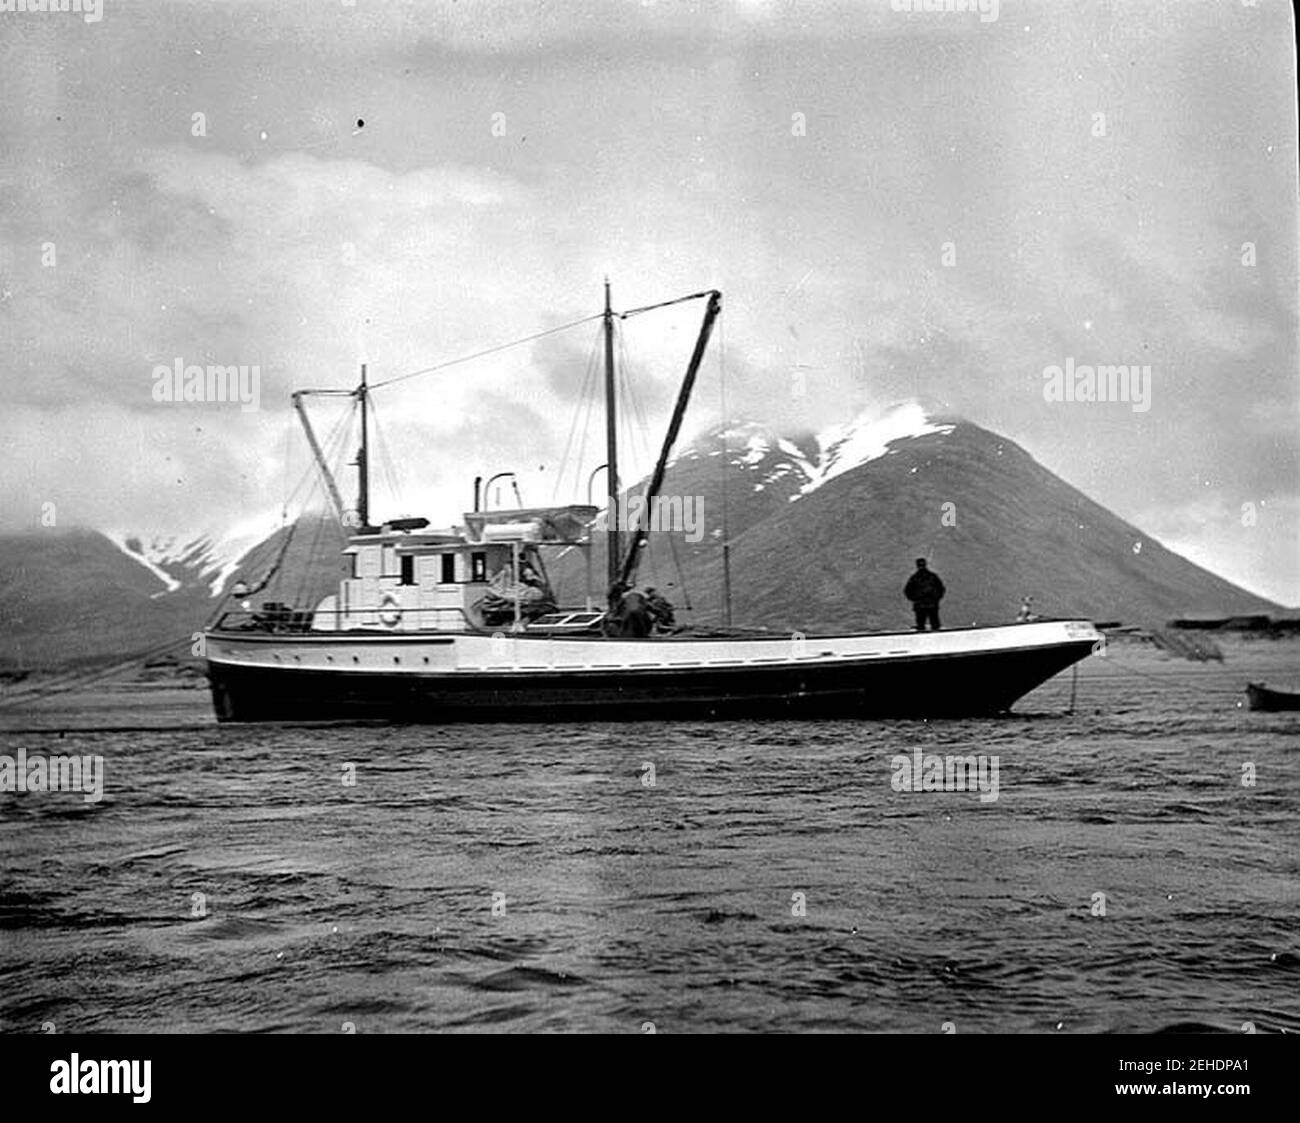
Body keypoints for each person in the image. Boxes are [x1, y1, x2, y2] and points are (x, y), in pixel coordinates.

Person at [904, 557, 945, 631]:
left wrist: (916, 599)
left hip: (923, 605)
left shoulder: (914, 578)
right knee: (933, 625)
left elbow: (908, 591)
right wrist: (935, 598)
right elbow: (941, 589)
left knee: (922, 626)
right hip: (929, 604)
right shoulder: (932, 577)